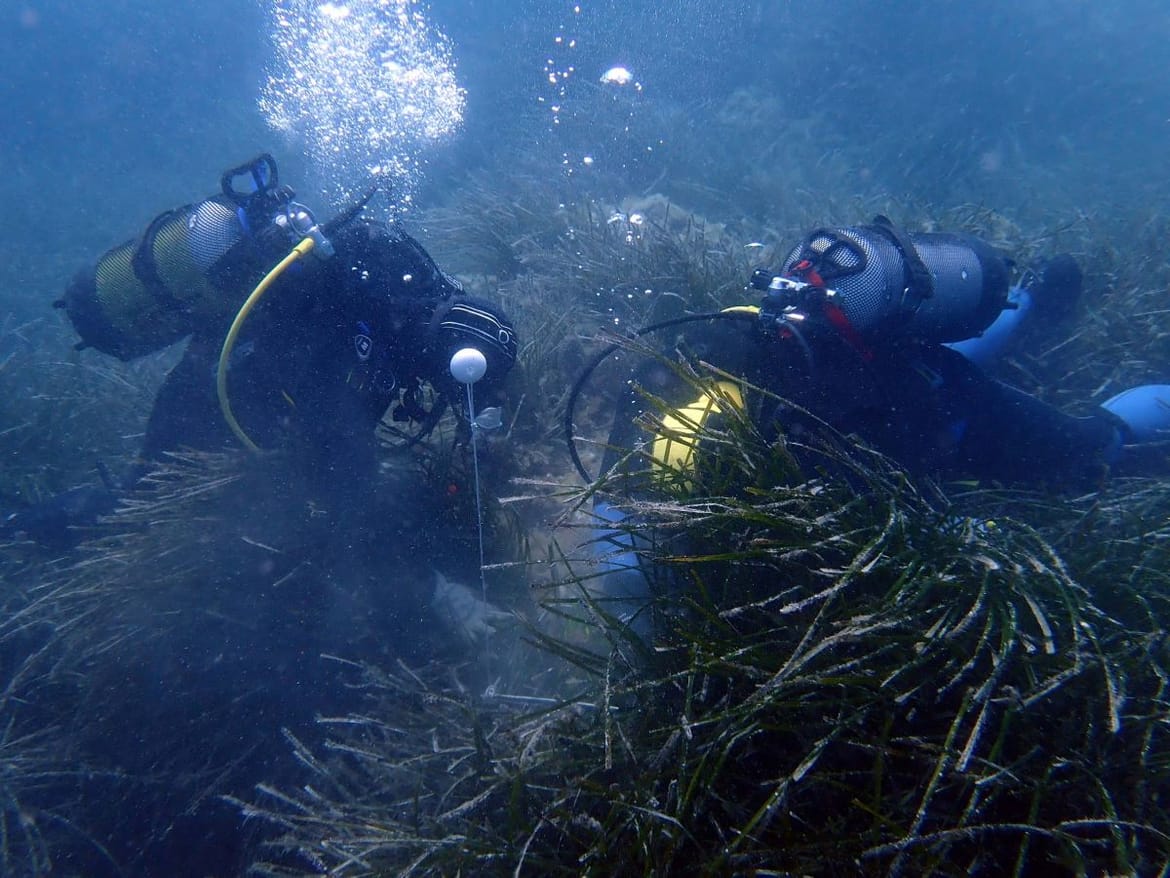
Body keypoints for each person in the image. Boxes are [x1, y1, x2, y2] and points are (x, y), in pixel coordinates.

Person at [573, 217, 1169, 629]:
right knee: (961, 358)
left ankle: (1033, 307)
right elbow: (624, 485)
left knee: (1094, 446)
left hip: (937, 402)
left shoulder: (785, 426)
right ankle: (1029, 303)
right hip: (877, 358)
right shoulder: (697, 368)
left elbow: (907, 511)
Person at [3, 156, 519, 620]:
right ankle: (15, 530)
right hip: (208, 400)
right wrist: (439, 597)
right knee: (130, 507)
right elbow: (345, 492)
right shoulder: (364, 348)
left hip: (235, 367)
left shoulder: (407, 281)